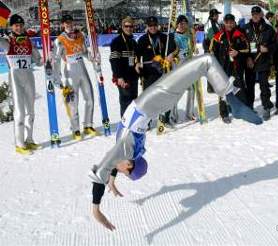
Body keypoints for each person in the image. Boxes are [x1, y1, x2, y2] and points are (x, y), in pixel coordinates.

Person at [88, 54, 263, 230]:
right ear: (128, 165)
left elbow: (110, 164)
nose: (119, 170)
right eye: (125, 173)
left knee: (200, 64)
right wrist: (100, 201)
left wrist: (108, 186)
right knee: (206, 61)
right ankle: (235, 103)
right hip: (157, 97)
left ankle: (234, 102)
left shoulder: (128, 152)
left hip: (156, 99)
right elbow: (108, 165)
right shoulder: (126, 150)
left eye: (124, 173)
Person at [0, 14, 42, 154]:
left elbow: (38, 60)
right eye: (16, 25)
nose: (19, 27)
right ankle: (19, 144)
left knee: (30, 111)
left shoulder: (28, 41)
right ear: (11, 26)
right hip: (15, 77)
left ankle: (29, 140)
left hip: (29, 77)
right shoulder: (7, 41)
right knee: (20, 111)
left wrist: (46, 60)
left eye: (21, 25)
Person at [53, 14, 98, 141]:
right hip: (70, 72)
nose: (69, 25)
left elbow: (84, 51)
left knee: (90, 98)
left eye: (71, 22)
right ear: (63, 25)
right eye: (66, 23)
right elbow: (56, 60)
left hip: (82, 70)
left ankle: (88, 125)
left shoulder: (80, 36)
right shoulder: (60, 40)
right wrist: (57, 77)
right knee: (73, 102)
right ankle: (75, 128)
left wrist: (92, 58)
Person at [210, 14, 249, 124]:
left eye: (231, 22)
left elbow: (247, 49)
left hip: (236, 67)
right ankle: (224, 113)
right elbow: (212, 52)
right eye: (227, 22)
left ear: (234, 22)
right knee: (223, 91)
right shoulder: (218, 36)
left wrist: (238, 53)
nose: (229, 24)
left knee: (239, 88)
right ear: (224, 23)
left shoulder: (240, 35)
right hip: (222, 67)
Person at [244, 6, 275, 120]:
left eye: (257, 13)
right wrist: (247, 58)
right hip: (250, 62)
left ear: (261, 14)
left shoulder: (268, 28)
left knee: (264, 86)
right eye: (253, 14)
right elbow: (242, 45)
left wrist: (268, 49)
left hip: (263, 61)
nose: (255, 16)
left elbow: (275, 44)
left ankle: (266, 106)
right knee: (250, 86)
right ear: (251, 15)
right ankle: (250, 106)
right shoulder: (246, 28)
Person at [110, 16, 139, 117]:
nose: (129, 28)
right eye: (126, 26)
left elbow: (136, 58)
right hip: (123, 77)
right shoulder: (116, 41)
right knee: (125, 101)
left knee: (134, 100)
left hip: (133, 76)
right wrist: (119, 77)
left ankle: (132, 122)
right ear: (122, 27)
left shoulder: (133, 41)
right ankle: (125, 123)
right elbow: (114, 60)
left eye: (131, 26)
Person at [174, 15, 197, 121]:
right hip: (177, 68)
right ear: (178, 24)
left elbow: (192, 48)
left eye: (184, 23)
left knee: (192, 90)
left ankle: (189, 113)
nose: (183, 25)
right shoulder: (173, 36)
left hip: (189, 66)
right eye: (181, 23)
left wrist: (194, 48)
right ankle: (173, 115)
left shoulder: (189, 35)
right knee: (176, 92)